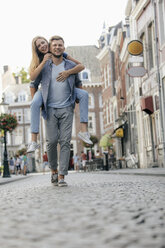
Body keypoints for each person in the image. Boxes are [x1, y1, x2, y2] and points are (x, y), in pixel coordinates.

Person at [27, 36, 92, 153]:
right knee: (35, 102)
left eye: (43, 42)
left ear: (47, 42)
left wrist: (68, 72)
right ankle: (33, 141)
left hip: (66, 90)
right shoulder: (39, 60)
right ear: (36, 50)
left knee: (84, 94)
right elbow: (32, 82)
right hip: (45, 92)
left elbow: (80, 67)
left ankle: (84, 131)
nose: (42, 46)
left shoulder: (62, 54)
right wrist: (43, 62)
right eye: (39, 46)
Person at [36, 35, 83, 186]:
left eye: (60, 45)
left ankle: (62, 175)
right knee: (51, 142)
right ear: (50, 47)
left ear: (64, 47)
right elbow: (33, 82)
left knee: (65, 141)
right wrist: (36, 102)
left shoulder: (70, 65)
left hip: (66, 108)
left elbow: (79, 81)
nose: (57, 47)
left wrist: (77, 98)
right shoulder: (45, 65)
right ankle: (53, 171)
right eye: (54, 45)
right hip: (49, 109)